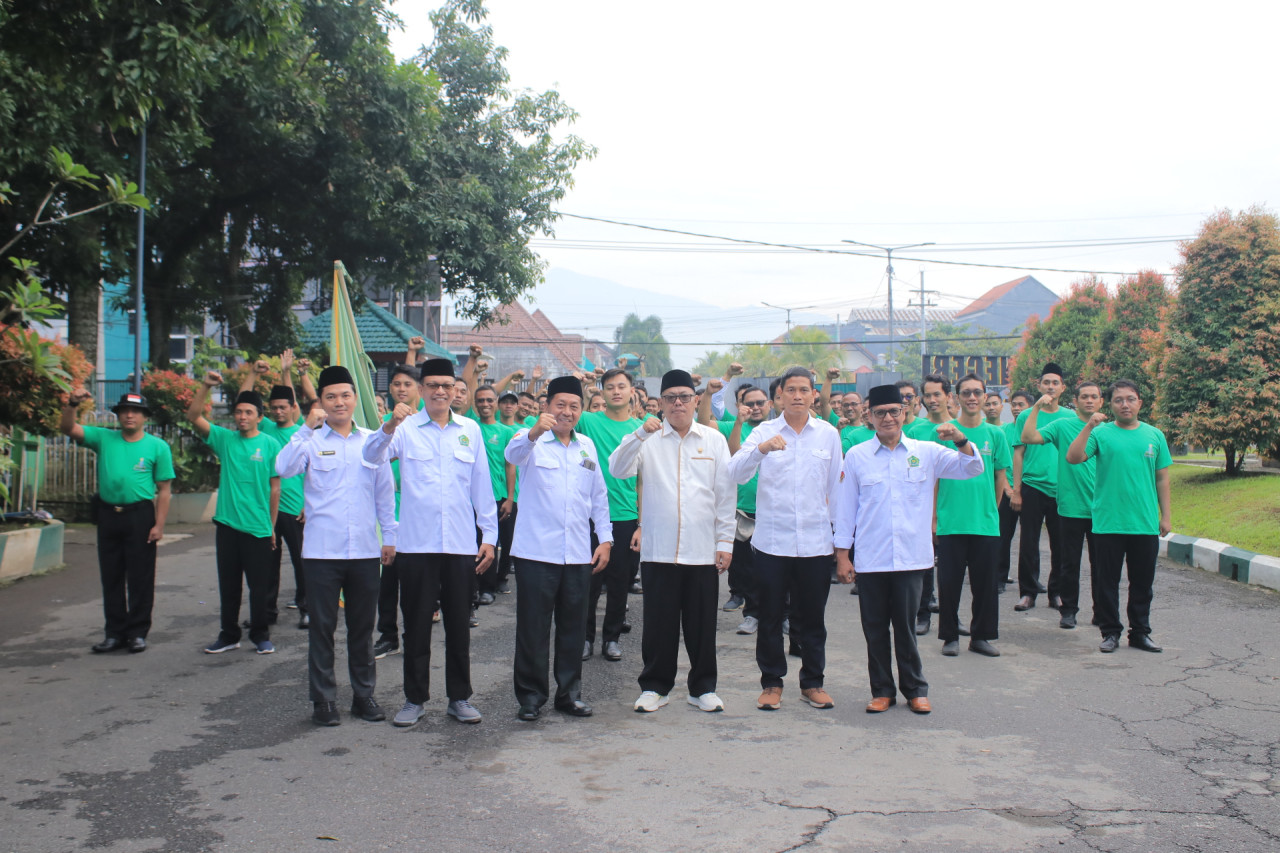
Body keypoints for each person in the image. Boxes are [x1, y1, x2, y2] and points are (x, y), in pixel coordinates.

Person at [833, 384, 984, 715]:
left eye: (894, 411)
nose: (887, 418)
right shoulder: (857, 456)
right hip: (871, 560)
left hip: (912, 559)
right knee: (874, 630)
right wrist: (843, 556)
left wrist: (960, 439)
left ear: (905, 412)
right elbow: (846, 510)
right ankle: (882, 691)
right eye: (880, 413)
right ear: (869, 416)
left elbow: (972, 468)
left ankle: (915, 689)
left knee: (905, 629)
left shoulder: (927, 451)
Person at [363, 358, 497, 726]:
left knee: (458, 626)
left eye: (447, 385)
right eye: (433, 385)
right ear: (421, 390)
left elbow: (481, 487)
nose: (440, 391)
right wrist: (389, 424)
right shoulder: (404, 429)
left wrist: (489, 537)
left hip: (459, 546)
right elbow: (371, 456)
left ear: (456, 390)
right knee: (417, 625)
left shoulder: (469, 429)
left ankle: (459, 698)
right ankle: (414, 699)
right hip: (416, 546)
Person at [274, 366, 397, 726]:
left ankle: (364, 695)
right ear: (321, 402)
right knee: (322, 630)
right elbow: (283, 468)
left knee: (362, 627)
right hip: (321, 554)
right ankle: (324, 701)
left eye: (345, 395)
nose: (339, 402)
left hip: (363, 551)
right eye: (331, 397)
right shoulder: (310, 439)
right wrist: (304, 428)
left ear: (355, 399)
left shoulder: (372, 440)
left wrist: (389, 537)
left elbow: (384, 494)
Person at [609, 369, 735, 714]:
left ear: (696, 400)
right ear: (660, 403)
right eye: (670, 398)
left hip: (702, 550)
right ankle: (655, 687)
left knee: (701, 625)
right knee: (658, 625)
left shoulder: (713, 440)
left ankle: (703, 688)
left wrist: (725, 542)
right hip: (659, 549)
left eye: (684, 396)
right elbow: (617, 470)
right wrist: (637, 434)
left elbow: (725, 495)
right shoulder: (647, 437)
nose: (677, 403)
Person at [727, 367, 843, 711]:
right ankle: (772, 682)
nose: (796, 395)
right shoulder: (763, 431)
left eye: (803, 390)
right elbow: (735, 472)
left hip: (815, 542)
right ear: (779, 397)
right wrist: (760, 449)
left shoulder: (828, 435)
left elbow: (835, 491)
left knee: (812, 619)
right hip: (772, 543)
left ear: (813, 396)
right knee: (771, 616)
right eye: (789, 390)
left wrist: (841, 545)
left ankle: (812, 682)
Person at [506, 376, 613, 720]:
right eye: (560, 405)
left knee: (573, 627)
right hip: (536, 554)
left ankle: (569, 694)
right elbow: (513, 454)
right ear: (547, 406)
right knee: (533, 629)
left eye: (574, 406)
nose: (567, 412)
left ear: (581, 410)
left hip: (578, 554)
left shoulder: (586, 447)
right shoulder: (529, 439)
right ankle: (531, 698)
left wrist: (606, 539)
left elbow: (598, 496)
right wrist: (536, 431)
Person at [61, 390, 173, 654]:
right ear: (118, 415)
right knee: (110, 576)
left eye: (135, 411)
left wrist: (159, 525)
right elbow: (68, 427)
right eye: (124, 411)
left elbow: (165, 489)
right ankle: (114, 633)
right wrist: (72, 403)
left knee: (140, 577)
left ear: (144, 416)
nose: (129, 415)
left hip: (140, 515)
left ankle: (137, 633)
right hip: (109, 515)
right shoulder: (104, 438)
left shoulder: (157, 447)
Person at [1067, 380, 1171, 654]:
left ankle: (1140, 633)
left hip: (1144, 522)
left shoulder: (1154, 435)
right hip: (1107, 523)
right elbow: (1073, 457)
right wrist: (1089, 426)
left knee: (1142, 584)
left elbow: (1162, 477)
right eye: (1118, 400)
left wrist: (1166, 516)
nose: (1125, 404)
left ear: (1140, 403)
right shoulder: (1101, 434)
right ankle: (1110, 631)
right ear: (1109, 404)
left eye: (1130, 399)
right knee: (1106, 582)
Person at [187, 373, 281, 655]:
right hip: (228, 525)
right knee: (229, 586)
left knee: (259, 587)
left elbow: (275, 490)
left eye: (249, 412)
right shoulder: (224, 439)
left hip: (258, 527)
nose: (242, 417)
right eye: (239, 412)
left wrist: (272, 526)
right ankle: (229, 634)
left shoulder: (269, 445)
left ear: (259, 416)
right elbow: (193, 416)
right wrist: (205, 386)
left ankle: (261, 635)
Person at [934, 374, 1012, 657]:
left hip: (985, 522)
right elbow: (935, 479)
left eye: (977, 392)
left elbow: (1000, 477)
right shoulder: (943, 432)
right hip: (951, 520)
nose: (971, 398)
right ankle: (950, 636)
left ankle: (981, 636)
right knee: (949, 583)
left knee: (986, 584)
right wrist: (933, 518)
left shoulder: (996, 434)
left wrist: (992, 509)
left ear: (984, 397)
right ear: (956, 398)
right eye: (965, 392)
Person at [1021, 382, 1101, 629]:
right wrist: (1035, 408)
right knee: (1069, 563)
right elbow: (1028, 437)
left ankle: (1102, 612)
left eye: (1094, 397)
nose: (1089, 401)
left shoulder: (1108, 431)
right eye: (1084, 397)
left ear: (1101, 402)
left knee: (1101, 566)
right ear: (1075, 401)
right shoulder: (1062, 426)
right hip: (1069, 507)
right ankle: (1068, 610)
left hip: (1101, 508)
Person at [576, 368, 643, 661]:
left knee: (619, 582)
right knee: (587, 581)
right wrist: (583, 384)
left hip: (626, 515)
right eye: (610, 387)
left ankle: (611, 638)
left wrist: (642, 522)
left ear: (632, 392)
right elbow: (569, 409)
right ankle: (585, 638)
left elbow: (644, 479)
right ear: (601, 393)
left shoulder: (641, 429)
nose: (616, 391)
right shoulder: (589, 422)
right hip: (590, 515)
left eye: (621, 386)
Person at [700, 382, 768, 633]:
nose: (755, 407)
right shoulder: (731, 426)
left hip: (772, 512)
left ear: (770, 404)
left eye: (760, 403)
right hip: (741, 512)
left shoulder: (778, 428)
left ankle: (781, 616)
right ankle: (751, 614)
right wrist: (708, 394)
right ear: (740, 406)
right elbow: (704, 422)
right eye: (749, 403)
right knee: (747, 569)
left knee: (775, 570)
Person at [373, 363, 424, 659]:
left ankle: (415, 633)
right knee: (388, 578)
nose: (401, 389)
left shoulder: (427, 422)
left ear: (418, 388)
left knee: (418, 580)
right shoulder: (383, 422)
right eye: (396, 384)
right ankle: (388, 634)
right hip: (390, 514)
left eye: (407, 384)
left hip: (419, 515)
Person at [1011, 364, 1072, 612]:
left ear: (1062, 388)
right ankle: (1028, 592)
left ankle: (1056, 592)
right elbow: (1018, 453)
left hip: (1062, 489)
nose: (1050, 387)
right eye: (1046, 382)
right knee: (1028, 542)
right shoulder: (1027, 416)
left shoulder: (1069, 417)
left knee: (1061, 544)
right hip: (1032, 486)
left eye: (1055, 383)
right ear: (1039, 386)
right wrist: (1016, 490)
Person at [470, 384, 517, 605]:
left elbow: (510, 465)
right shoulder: (469, 427)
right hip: (471, 496)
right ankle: (473, 587)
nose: (485, 404)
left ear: (496, 403)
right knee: (473, 542)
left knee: (493, 542)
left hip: (497, 496)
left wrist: (509, 497)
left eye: (489, 400)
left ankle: (489, 587)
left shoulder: (506, 432)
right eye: (480, 401)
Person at [998, 391, 1034, 592]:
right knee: (1003, 537)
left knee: (1029, 540)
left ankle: (1030, 583)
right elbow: (999, 464)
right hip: (1007, 490)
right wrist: (1008, 490)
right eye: (1014, 404)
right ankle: (999, 578)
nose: (1016, 408)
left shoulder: (1037, 431)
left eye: (1021, 404)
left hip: (1029, 490)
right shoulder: (1004, 431)